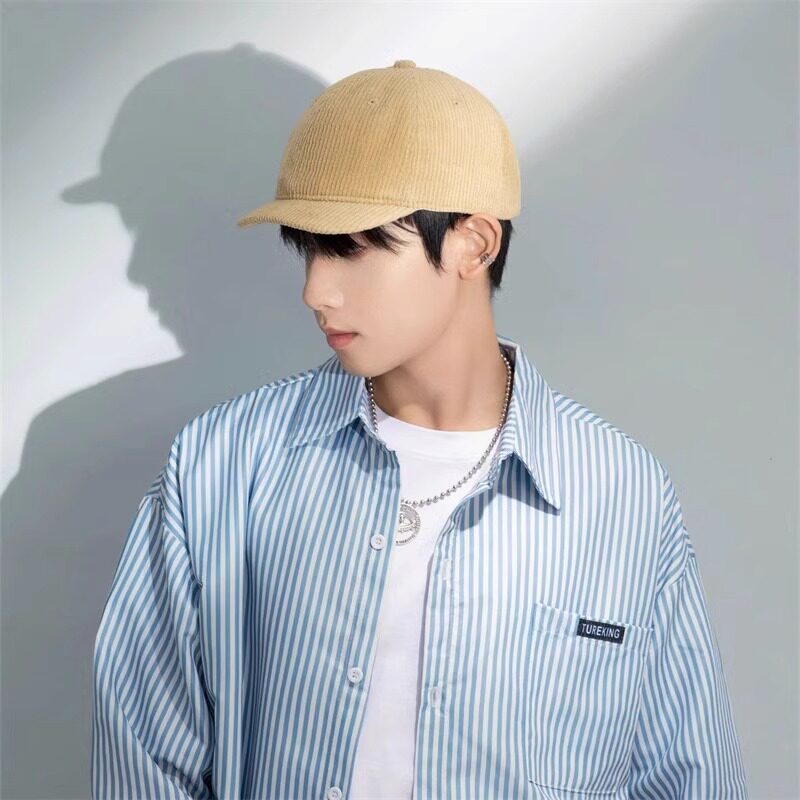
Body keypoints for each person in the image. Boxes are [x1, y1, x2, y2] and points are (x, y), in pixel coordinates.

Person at [91, 60, 748, 800]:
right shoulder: (224, 464)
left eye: (354, 248)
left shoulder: (620, 493)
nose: (315, 290)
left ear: (474, 244)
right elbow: (143, 759)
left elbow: (688, 775)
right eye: (308, 248)